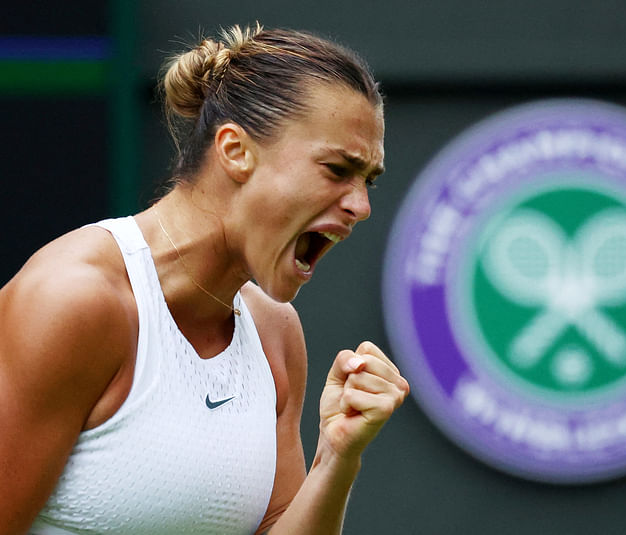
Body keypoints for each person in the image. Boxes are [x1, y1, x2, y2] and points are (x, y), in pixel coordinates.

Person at [0, 23, 409, 535]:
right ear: (235, 151)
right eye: (336, 169)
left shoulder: (276, 333)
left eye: (367, 180)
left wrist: (337, 458)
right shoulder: (74, 301)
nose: (361, 206)